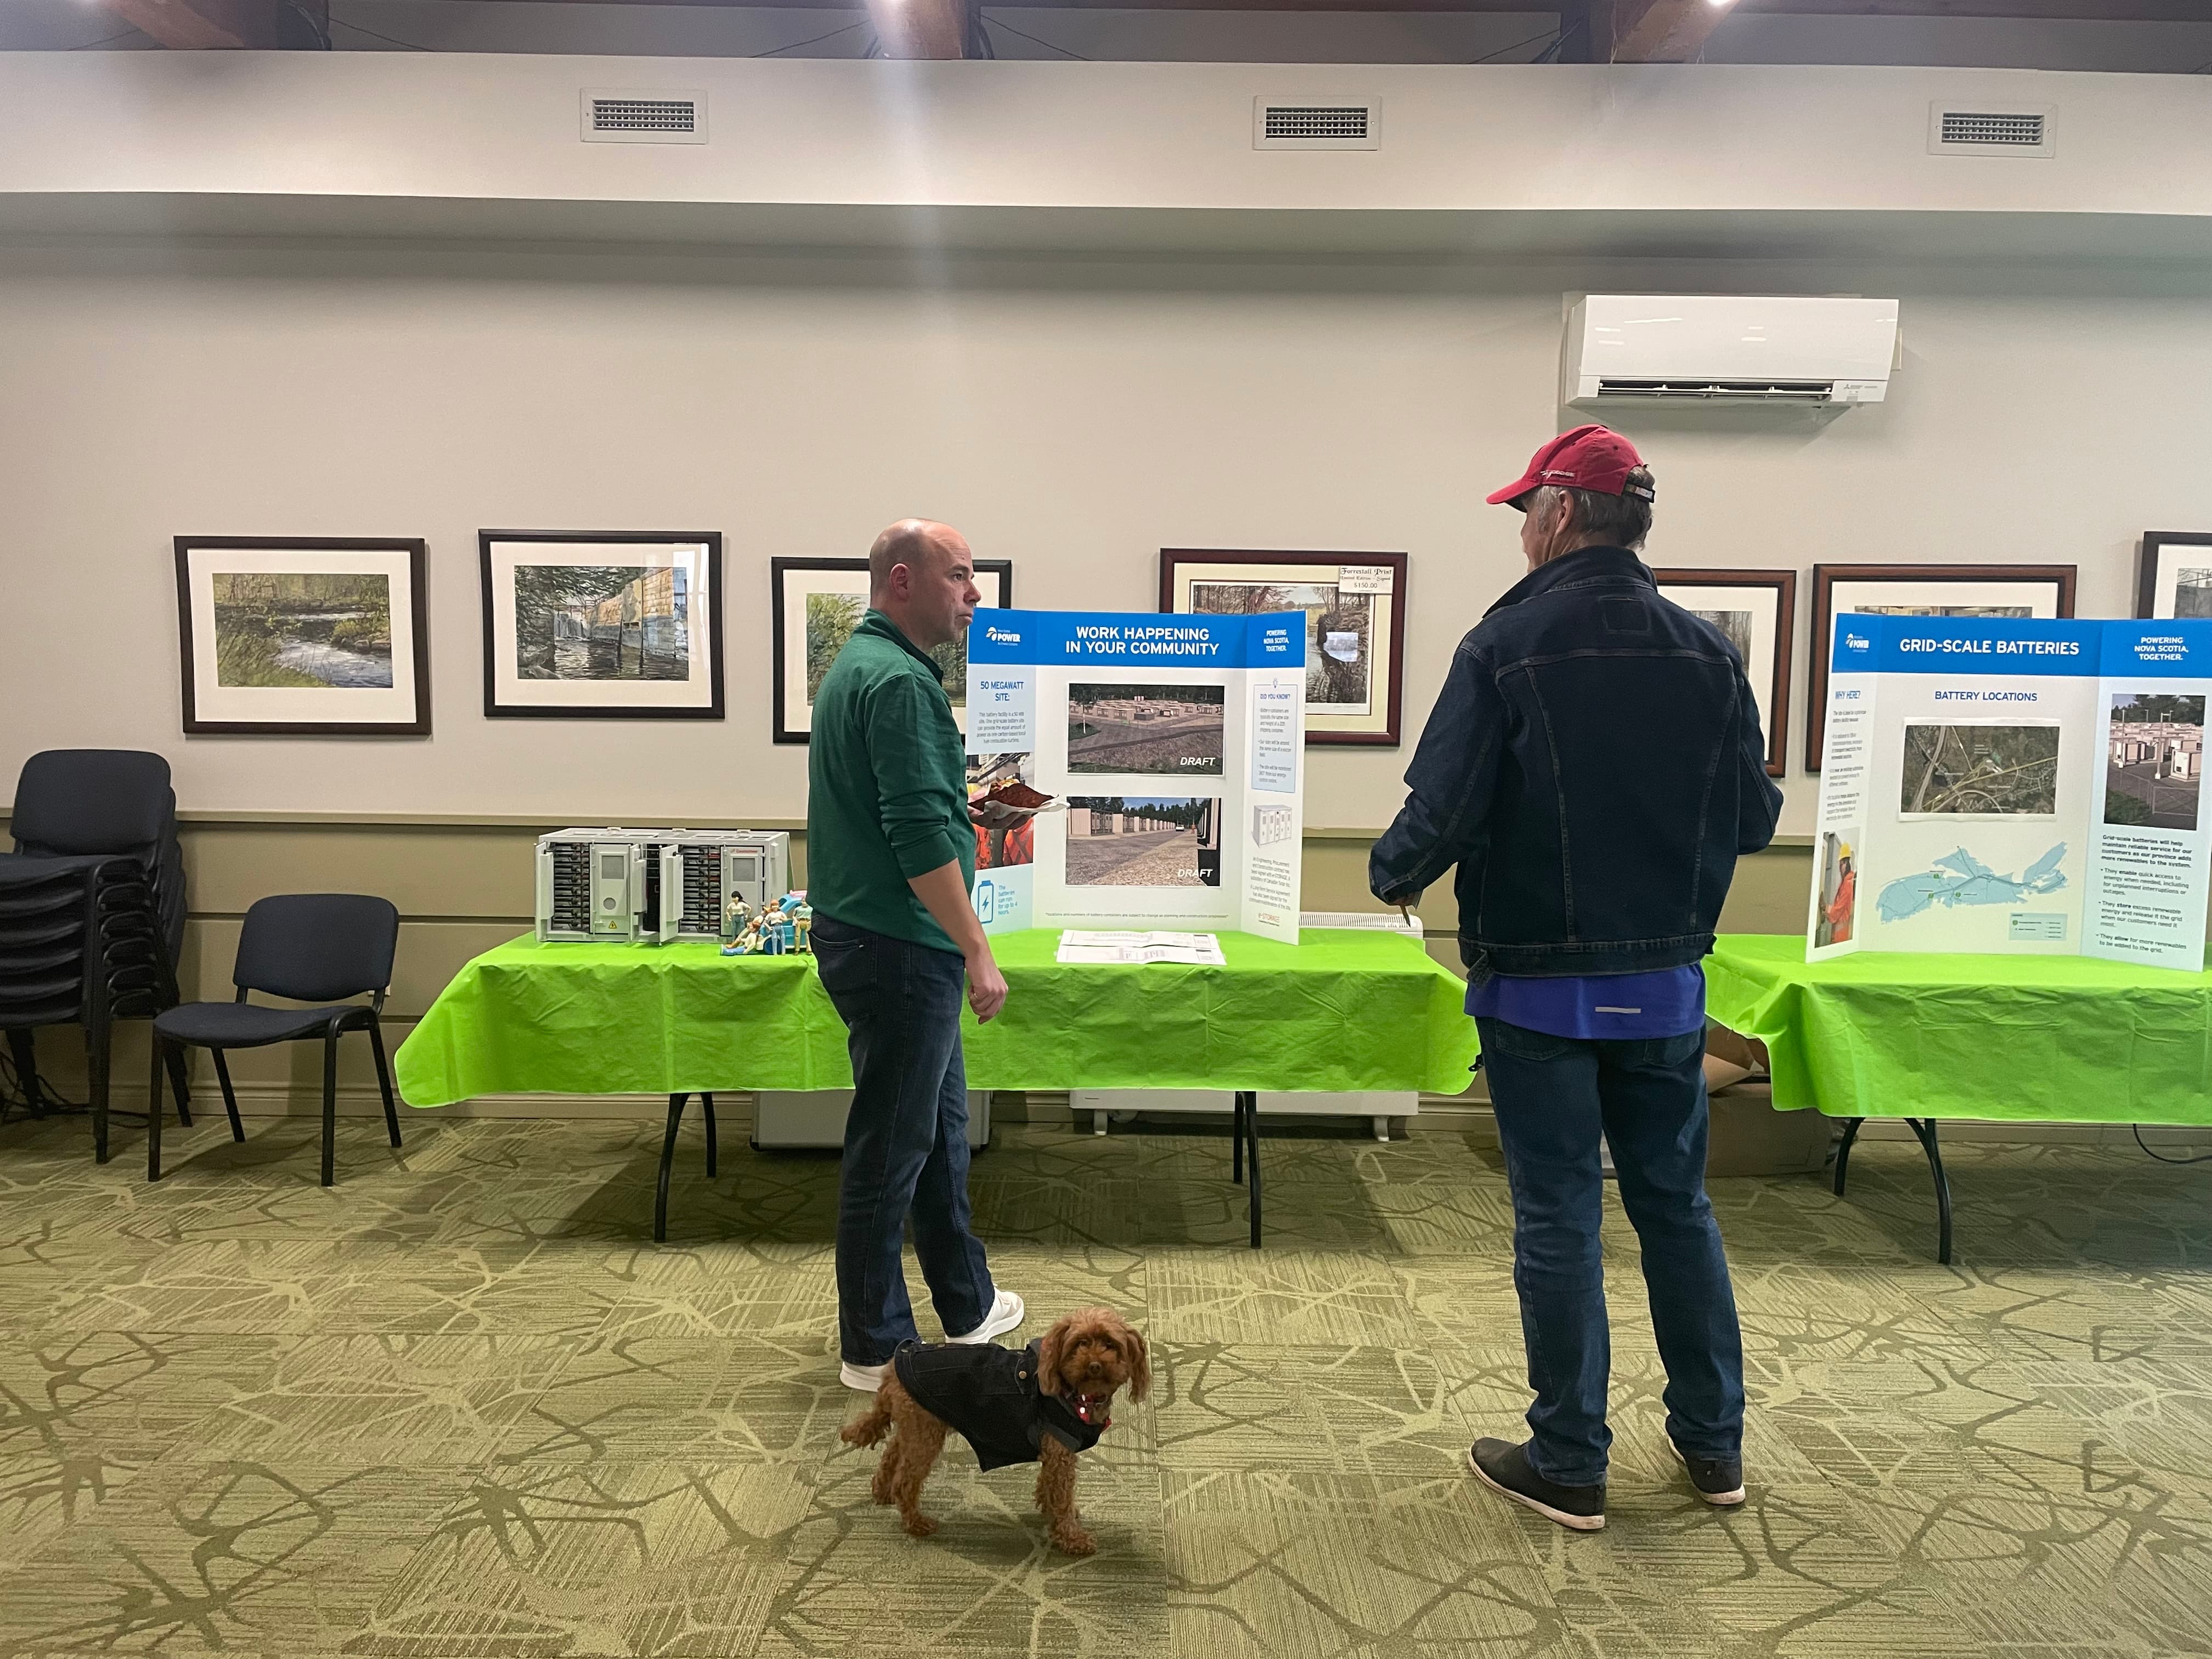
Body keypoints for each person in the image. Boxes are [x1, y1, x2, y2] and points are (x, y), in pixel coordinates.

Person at [1370, 425, 1784, 1532]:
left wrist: (1390, 875)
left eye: (1523, 515)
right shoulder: (1709, 650)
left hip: (1538, 989)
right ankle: (1716, 1449)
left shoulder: (1504, 645)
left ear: (1559, 515)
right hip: (1665, 986)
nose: (1519, 533)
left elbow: (1442, 811)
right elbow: (1757, 818)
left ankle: (1570, 1462)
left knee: (1558, 1217)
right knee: (1676, 1210)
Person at [808, 518, 1024, 1392]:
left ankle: (966, 1303)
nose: (975, 593)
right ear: (903, 581)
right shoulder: (900, 684)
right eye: (961, 576)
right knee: (891, 1149)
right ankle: (875, 1346)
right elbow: (914, 835)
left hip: (886, 935)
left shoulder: (863, 668)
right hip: (901, 946)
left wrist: (970, 808)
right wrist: (977, 950)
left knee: (936, 1134)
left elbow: (906, 808)